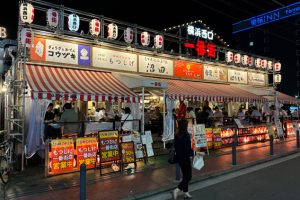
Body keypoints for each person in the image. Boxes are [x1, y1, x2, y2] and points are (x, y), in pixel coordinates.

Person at [173, 119, 194, 199]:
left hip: (179, 158)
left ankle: (186, 192)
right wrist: (193, 154)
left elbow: (177, 147)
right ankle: (177, 190)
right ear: (185, 126)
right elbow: (187, 149)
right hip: (185, 158)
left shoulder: (177, 134)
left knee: (185, 175)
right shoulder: (186, 135)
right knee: (188, 176)